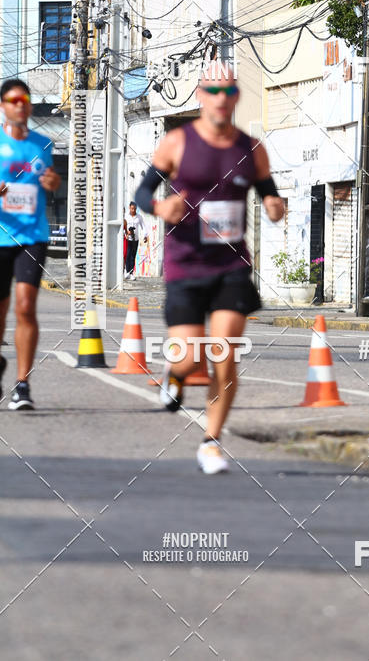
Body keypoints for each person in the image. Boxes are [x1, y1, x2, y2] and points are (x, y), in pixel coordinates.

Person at [135, 63, 284, 474]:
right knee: (188, 357)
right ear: (200, 95)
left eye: (228, 91)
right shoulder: (177, 142)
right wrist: (160, 207)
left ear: (236, 97)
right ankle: (176, 372)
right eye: (213, 90)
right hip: (185, 264)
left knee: (225, 354)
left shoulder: (251, 149)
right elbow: (142, 193)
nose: (221, 98)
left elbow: (270, 195)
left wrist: (275, 206)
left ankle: (211, 442)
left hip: (231, 266)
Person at [0, 79, 61, 410]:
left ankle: (22, 385)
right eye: (13, 100)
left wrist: (53, 182)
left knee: (25, 306)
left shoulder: (43, 143)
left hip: (32, 236)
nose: (19, 104)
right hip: (0, 234)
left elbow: (50, 180)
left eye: (24, 99)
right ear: (2, 106)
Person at [123, 200, 148, 280]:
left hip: (135, 239)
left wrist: (145, 236)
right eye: (132, 208)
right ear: (129, 208)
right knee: (127, 255)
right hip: (127, 239)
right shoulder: (126, 216)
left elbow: (143, 227)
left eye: (134, 209)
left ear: (136, 208)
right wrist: (126, 233)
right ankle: (126, 272)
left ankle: (131, 273)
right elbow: (123, 226)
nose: (133, 210)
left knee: (133, 256)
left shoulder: (139, 217)